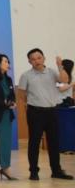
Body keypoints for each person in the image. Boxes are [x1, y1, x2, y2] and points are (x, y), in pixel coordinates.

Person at [16, 48, 72, 180]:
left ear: (44, 58)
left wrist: (60, 66)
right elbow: (21, 95)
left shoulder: (52, 72)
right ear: (29, 61)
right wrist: (32, 103)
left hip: (52, 111)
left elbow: (64, 81)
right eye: (33, 59)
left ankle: (56, 171)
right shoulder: (26, 75)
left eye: (39, 58)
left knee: (54, 142)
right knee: (34, 142)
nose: (37, 61)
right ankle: (33, 171)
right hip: (35, 112)